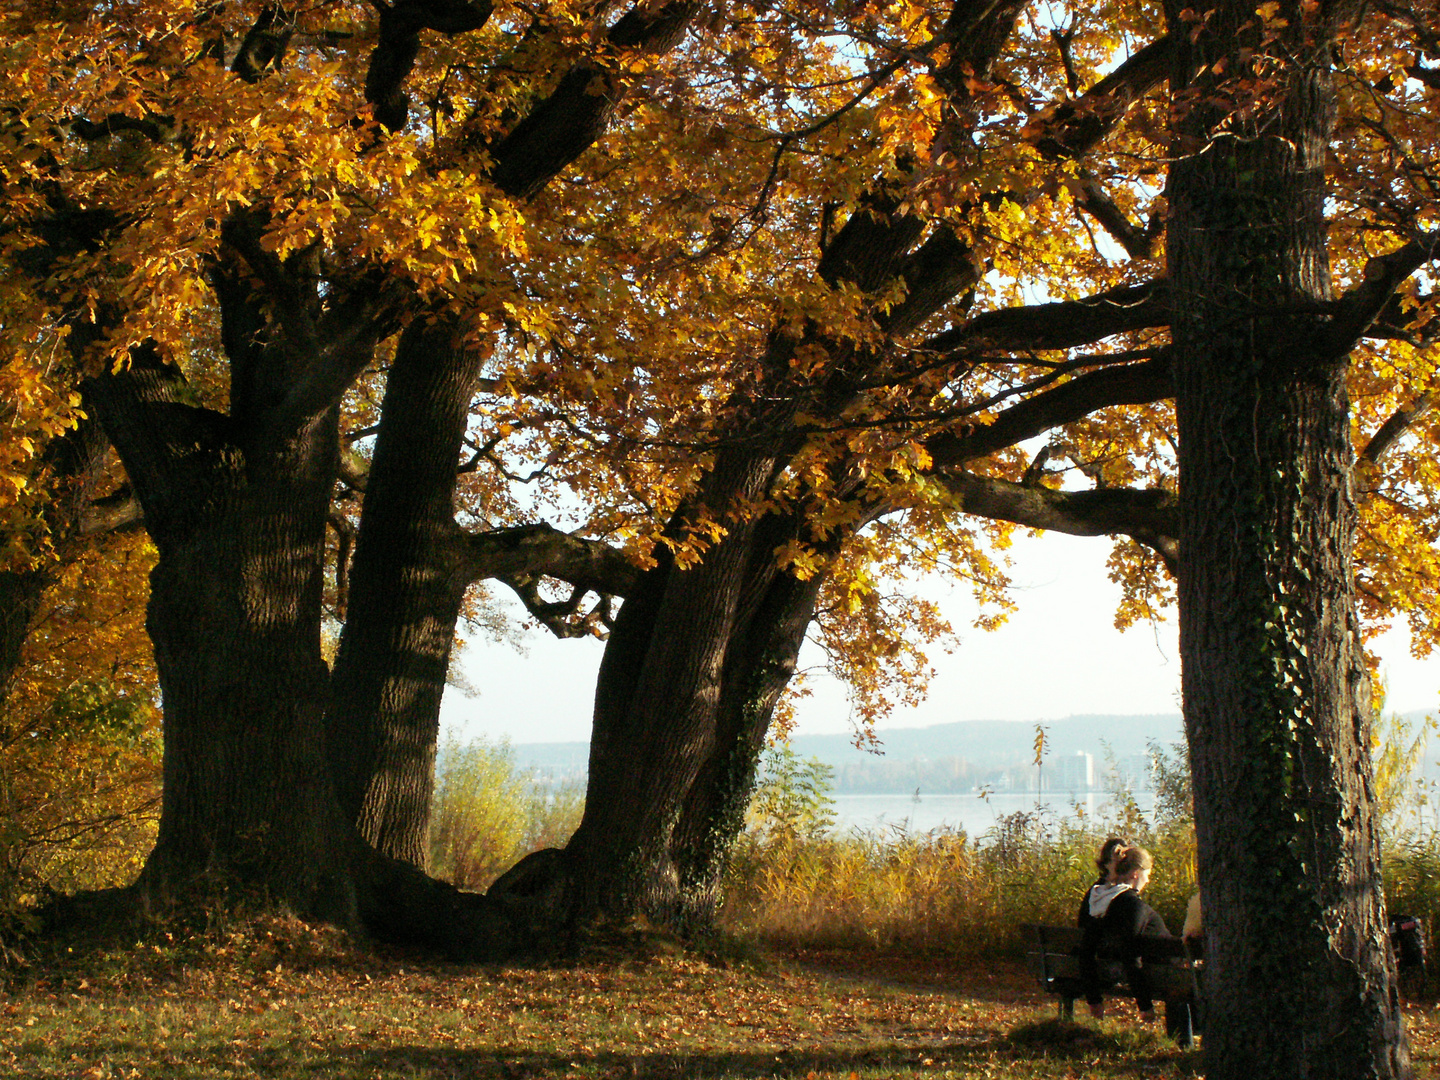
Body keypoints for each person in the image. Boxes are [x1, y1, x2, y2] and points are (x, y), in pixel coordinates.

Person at [1076, 845, 1195, 1043]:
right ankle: (1184, 1045)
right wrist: (1144, 1003)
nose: (1147, 880)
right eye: (1147, 875)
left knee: (1183, 975)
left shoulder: (1099, 901)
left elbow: (1086, 949)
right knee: (1184, 981)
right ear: (1135, 874)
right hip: (1161, 971)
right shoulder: (1133, 905)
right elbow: (1130, 954)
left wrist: (1093, 998)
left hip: (1118, 969)